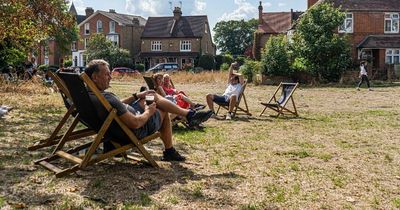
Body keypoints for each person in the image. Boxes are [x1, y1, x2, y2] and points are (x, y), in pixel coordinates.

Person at [85, 59, 212, 161]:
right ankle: (171, 148)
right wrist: (148, 111)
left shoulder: (89, 95)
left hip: (115, 127)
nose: (110, 77)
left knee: (151, 95)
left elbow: (115, 106)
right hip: (133, 130)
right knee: (163, 109)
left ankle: (189, 114)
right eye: (107, 74)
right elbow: (135, 123)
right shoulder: (108, 97)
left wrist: (136, 96)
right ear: (95, 77)